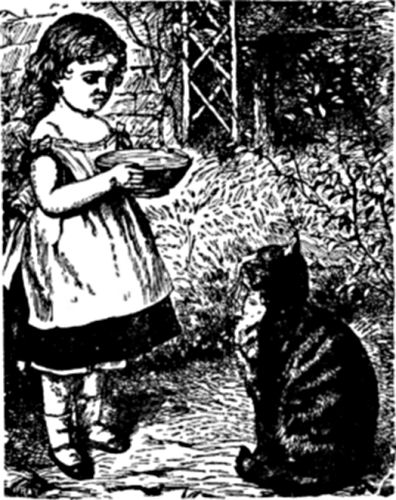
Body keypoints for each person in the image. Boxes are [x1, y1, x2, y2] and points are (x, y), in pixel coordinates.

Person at [3, 13, 180, 480]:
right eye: (89, 77)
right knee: (63, 357)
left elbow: (119, 183)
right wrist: (110, 180)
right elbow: (51, 201)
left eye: (109, 78)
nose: (102, 87)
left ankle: (96, 421)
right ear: (59, 76)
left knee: (101, 344)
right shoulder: (49, 137)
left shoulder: (104, 129)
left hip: (109, 258)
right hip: (65, 260)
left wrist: (137, 181)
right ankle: (62, 438)